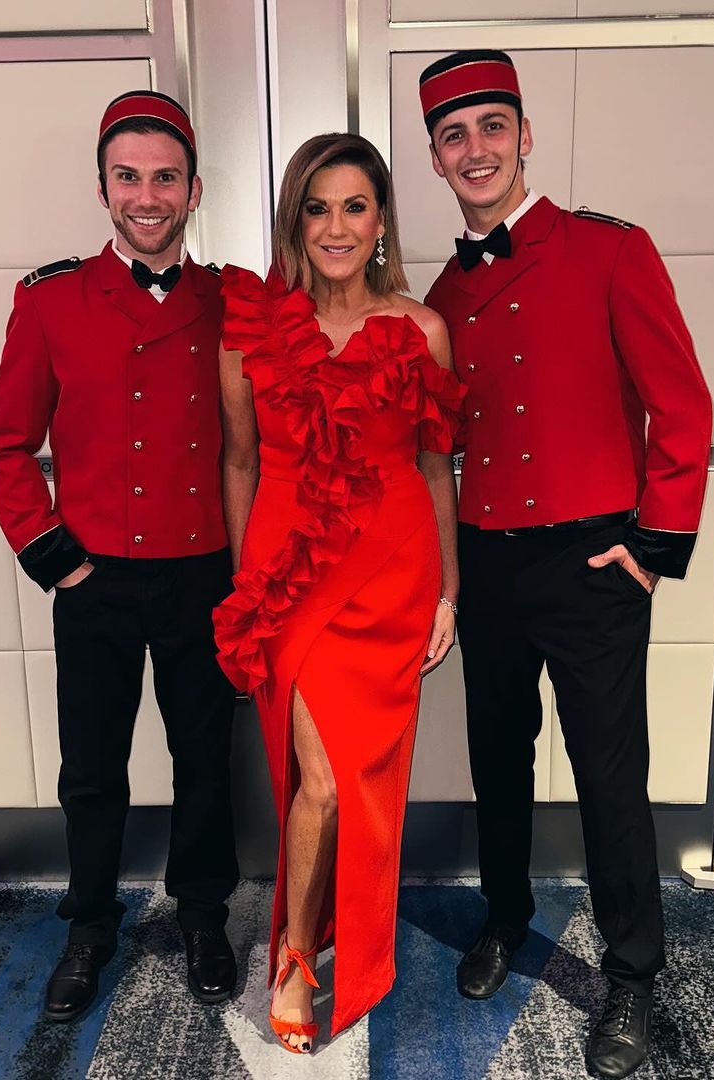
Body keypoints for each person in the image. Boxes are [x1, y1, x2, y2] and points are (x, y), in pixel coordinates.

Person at [418, 50, 712, 1079]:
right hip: (490, 564)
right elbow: (440, 448)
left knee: (610, 778)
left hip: (595, 562)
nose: (476, 150)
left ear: (526, 135)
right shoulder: (440, 295)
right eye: (454, 135)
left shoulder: (610, 250)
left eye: (492, 127)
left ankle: (631, 973)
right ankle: (506, 918)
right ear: (435, 158)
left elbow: (682, 404)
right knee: (497, 762)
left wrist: (653, 546)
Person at [0, 90, 239, 1022]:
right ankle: (89, 924)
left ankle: (204, 915)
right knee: (91, 768)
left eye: (166, 178)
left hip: (204, 569)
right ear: (102, 189)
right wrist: (58, 558)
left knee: (205, 758)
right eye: (128, 176)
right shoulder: (50, 300)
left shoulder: (234, 301)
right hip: (93, 575)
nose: (147, 195)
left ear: (195, 190)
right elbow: (5, 446)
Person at [214, 132, 465, 1052]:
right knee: (316, 780)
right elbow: (240, 464)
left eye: (354, 206)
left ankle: (325, 938)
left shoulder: (422, 330)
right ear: (295, 221)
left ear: (382, 220)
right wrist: (249, 588)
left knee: (364, 780)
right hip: (290, 578)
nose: (336, 226)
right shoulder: (249, 333)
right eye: (317, 208)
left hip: (394, 572)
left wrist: (448, 592)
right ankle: (294, 955)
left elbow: (435, 468)